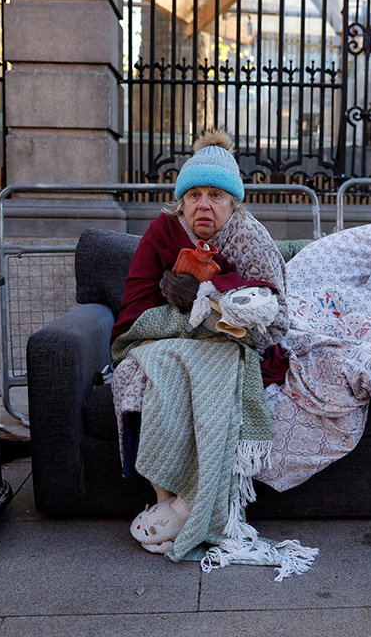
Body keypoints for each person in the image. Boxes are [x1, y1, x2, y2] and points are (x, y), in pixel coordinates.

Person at [108, 128, 291, 555]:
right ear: (181, 201)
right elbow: (133, 311)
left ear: (233, 203)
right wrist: (174, 305)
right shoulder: (162, 232)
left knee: (214, 378)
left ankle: (193, 504)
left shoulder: (250, 237)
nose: (203, 205)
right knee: (141, 371)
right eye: (194, 195)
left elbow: (278, 323)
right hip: (167, 336)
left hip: (233, 343)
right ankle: (166, 500)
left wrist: (212, 300)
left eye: (216, 195)